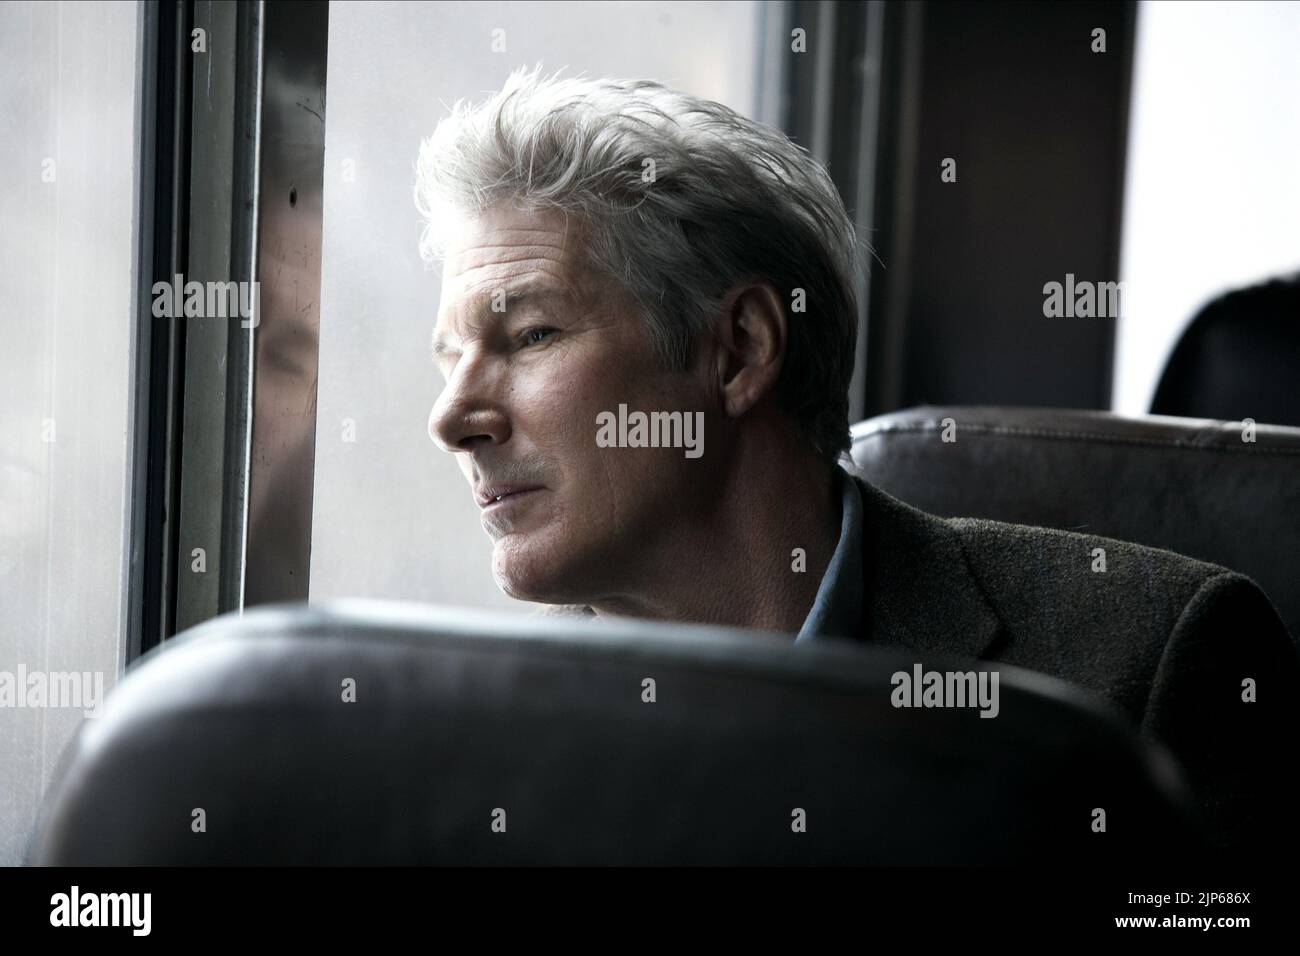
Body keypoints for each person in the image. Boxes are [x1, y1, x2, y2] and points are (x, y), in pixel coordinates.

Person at [416, 66, 1298, 854]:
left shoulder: (1157, 660)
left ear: (740, 350)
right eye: (450, 359)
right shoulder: (489, 732)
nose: (451, 418)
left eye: (530, 335)